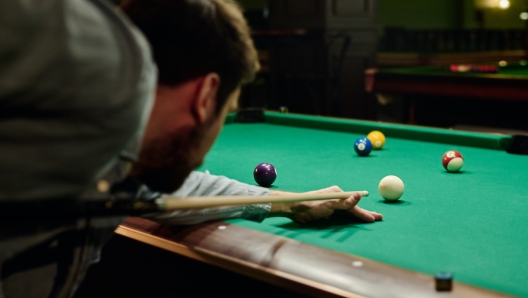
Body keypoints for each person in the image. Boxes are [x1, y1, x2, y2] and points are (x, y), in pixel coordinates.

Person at [119, 0, 383, 225]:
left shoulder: (120, 166)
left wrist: (293, 203)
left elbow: (169, 192)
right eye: (227, 112)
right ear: (205, 97)